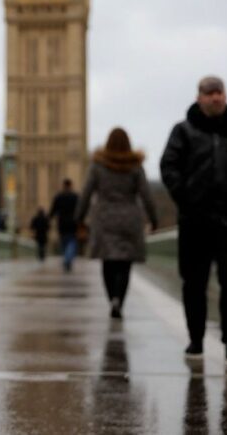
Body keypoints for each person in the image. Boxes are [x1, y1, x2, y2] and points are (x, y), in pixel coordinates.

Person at [160, 75, 227, 368]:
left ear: (226, 96)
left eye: (219, 92)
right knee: (194, 283)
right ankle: (195, 339)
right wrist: (185, 198)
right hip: (195, 220)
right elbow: (168, 167)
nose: (215, 98)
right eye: (209, 93)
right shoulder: (183, 132)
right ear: (199, 97)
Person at [75, 128, 158, 320]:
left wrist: (79, 218)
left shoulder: (98, 165)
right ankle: (119, 299)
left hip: (104, 218)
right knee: (124, 263)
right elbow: (146, 195)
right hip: (130, 218)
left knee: (108, 261)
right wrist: (153, 219)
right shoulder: (135, 166)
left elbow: (86, 193)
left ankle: (112, 297)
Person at [50, 178, 79, 272]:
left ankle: (66, 259)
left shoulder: (59, 197)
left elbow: (53, 210)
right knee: (72, 242)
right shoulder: (75, 197)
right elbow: (80, 209)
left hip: (62, 223)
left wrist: (49, 219)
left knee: (64, 243)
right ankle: (68, 259)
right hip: (73, 223)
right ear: (70, 185)